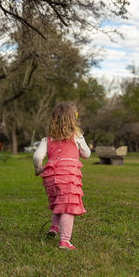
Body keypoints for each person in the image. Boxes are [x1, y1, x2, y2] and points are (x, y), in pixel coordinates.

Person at [33, 102, 91, 250]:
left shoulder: (48, 139)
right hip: (68, 176)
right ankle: (65, 241)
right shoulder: (77, 136)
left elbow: (37, 156)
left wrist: (38, 168)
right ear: (73, 120)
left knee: (58, 201)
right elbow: (87, 154)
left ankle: (54, 227)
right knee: (67, 207)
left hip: (51, 176)